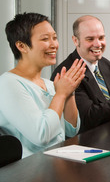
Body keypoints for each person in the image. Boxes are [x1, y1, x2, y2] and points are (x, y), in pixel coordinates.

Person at [0, 13, 85, 158]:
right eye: (45, 39)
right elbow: (42, 135)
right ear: (21, 46)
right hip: (29, 174)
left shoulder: (50, 84)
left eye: (55, 37)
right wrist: (61, 94)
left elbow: (71, 131)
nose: (54, 45)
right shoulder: (8, 83)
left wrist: (70, 92)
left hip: (56, 164)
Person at [51, 15, 110, 132]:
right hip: (88, 142)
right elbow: (88, 118)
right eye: (90, 39)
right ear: (75, 40)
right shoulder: (67, 73)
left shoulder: (104, 64)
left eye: (101, 38)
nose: (98, 44)